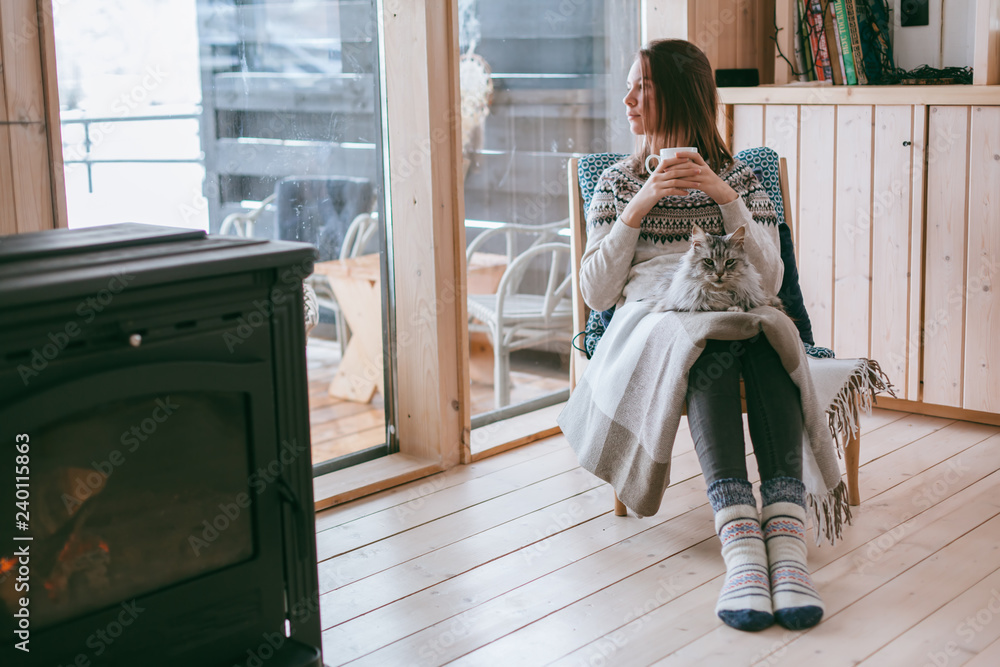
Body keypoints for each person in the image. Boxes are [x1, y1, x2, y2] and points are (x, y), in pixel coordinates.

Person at [557, 39, 847, 633]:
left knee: (760, 328)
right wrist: (641, 204)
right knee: (713, 336)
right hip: (653, 319)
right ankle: (743, 547)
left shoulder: (740, 179)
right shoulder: (618, 182)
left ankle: (785, 548)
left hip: (739, 310)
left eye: (643, 87)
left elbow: (768, 280)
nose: (627, 98)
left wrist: (725, 197)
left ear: (682, 95)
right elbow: (596, 293)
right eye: (629, 86)